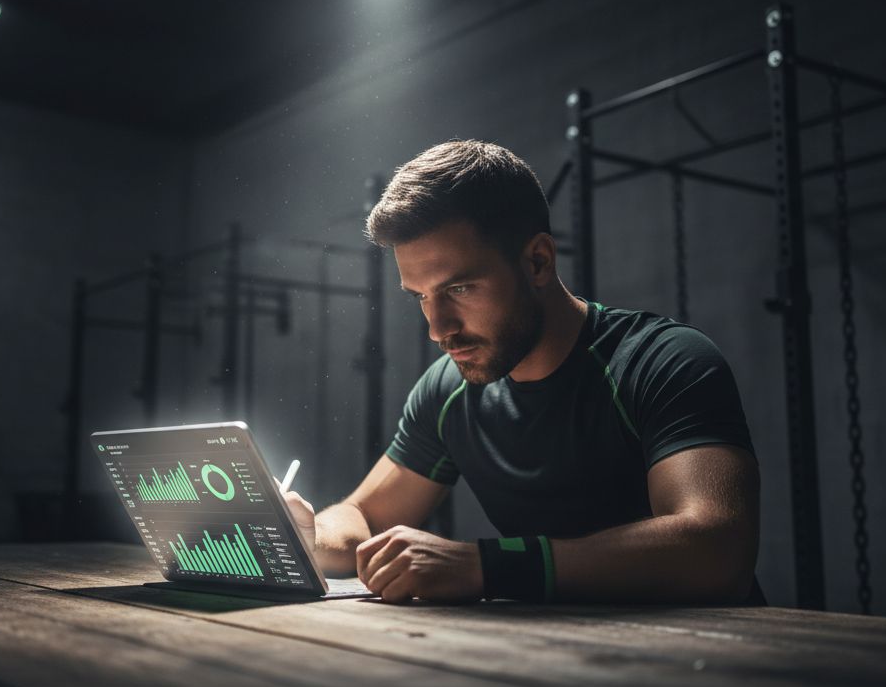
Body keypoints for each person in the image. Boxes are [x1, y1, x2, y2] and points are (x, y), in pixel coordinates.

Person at [282, 139, 765, 606]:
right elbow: (363, 515)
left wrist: (486, 566)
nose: (438, 329)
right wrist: (308, 536)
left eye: (460, 288)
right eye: (421, 297)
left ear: (538, 261)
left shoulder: (662, 360)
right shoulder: (448, 389)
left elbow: (717, 550)